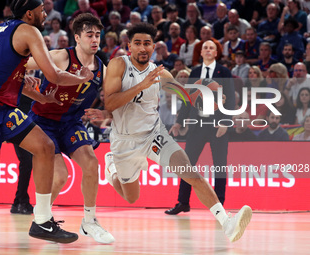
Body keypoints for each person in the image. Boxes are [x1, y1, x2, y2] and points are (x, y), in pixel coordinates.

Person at [103, 23, 251, 243]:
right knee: (131, 197)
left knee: (190, 172)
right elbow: (110, 103)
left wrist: (214, 100)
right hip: (124, 141)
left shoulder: (161, 73)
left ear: (153, 46)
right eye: (137, 43)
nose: (142, 48)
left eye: (147, 43)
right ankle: (112, 168)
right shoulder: (118, 66)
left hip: (154, 135)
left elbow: (185, 97)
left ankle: (226, 222)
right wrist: (142, 85)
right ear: (129, 46)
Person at [0, 0, 94, 243]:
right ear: (29, 13)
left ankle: (42, 221)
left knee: (44, 147)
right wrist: (81, 78)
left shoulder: (3, 28)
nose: (46, 14)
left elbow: (12, 78)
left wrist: (41, 96)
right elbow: (54, 75)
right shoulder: (29, 30)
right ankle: (42, 220)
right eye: (42, 10)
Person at [26, 13, 114, 244]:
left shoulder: (102, 70)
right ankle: (42, 219)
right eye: (89, 35)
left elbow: (115, 101)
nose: (95, 40)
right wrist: (25, 78)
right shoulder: (59, 56)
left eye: (97, 35)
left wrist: (107, 113)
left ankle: (89, 221)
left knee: (92, 164)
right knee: (61, 175)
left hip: (71, 123)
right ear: (77, 37)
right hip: (42, 122)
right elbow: (21, 64)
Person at [166, 40, 235, 214]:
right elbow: (187, 99)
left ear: (216, 53)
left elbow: (232, 100)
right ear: (201, 52)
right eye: (205, 47)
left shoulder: (224, 71)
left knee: (219, 165)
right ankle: (183, 202)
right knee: (187, 165)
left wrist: (225, 122)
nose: (208, 50)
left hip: (217, 125)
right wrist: (179, 122)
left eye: (212, 48)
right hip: (197, 125)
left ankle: (219, 205)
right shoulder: (195, 72)